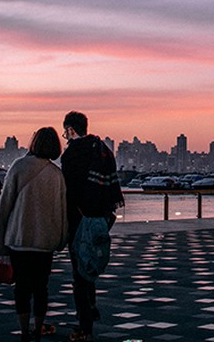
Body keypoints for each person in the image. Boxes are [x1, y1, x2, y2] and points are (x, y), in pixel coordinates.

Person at [0, 127, 68, 342]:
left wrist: (1, 242)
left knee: (22, 288)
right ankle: (38, 328)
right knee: (41, 288)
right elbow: (61, 211)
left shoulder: (19, 167)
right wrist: (60, 239)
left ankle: (24, 331)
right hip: (45, 243)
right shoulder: (56, 174)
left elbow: (5, 206)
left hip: (20, 240)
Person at [60, 111, 124, 342]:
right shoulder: (102, 148)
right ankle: (92, 306)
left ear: (71, 130)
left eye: (65, 130)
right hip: (100, 217)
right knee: (89, 265)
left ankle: (84, 325)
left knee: (79, 273)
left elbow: (69, 189)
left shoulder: (73, 153)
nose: (64, 135)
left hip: (79, 218)